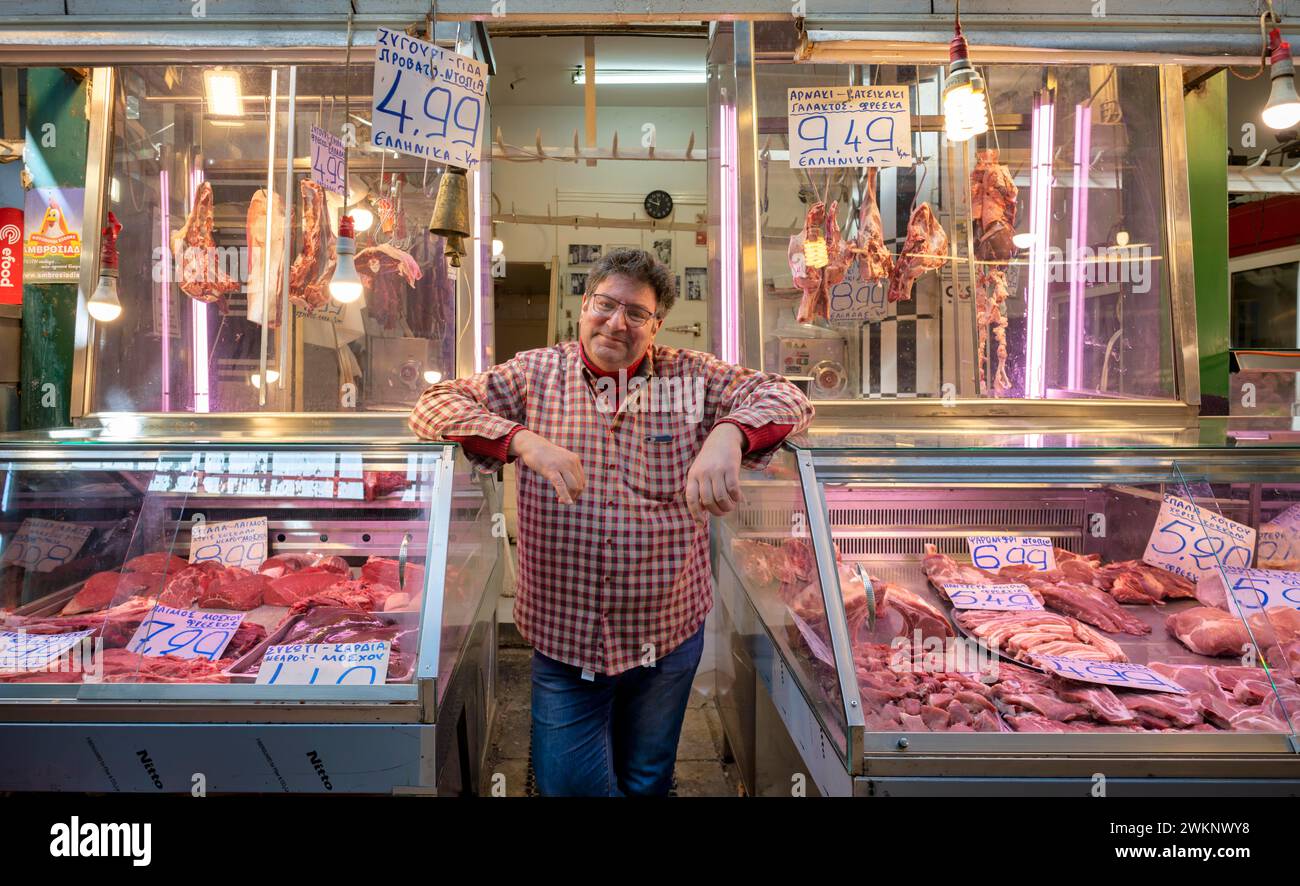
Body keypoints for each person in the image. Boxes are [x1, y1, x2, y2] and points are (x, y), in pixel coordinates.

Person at [409, 247, 813, 796]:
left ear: (657, 324)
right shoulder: (534, 374)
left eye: (637, 313)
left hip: (665, 633)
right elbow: (433, 405)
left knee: (646, 779)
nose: (616, 322)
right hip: (566, 636)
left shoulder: (690, 377)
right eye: (605, 303)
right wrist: (522, 441)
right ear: (585, 303)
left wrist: (729, 433)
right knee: (570, 787)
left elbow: (786, 397)